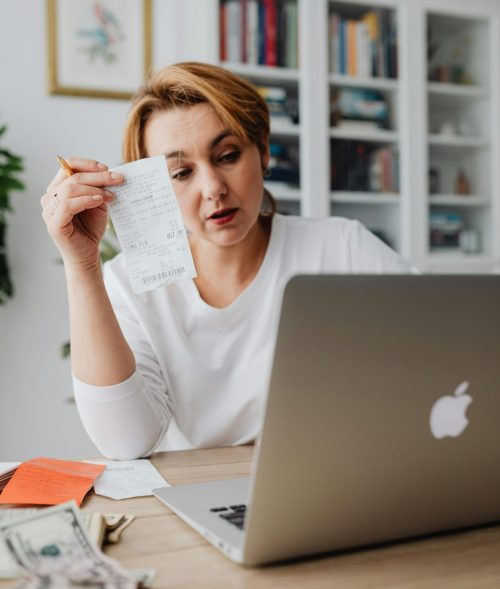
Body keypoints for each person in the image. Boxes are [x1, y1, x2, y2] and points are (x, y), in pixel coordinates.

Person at [41, 62, 413, 460]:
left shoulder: (341, 247)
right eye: (181, 172)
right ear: (153, 187)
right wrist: (82, 266)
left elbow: (441, 352)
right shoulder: (130, 285)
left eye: (228, 155)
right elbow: (126, 442)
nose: (213, 189)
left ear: (264, 151)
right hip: (190, 495)